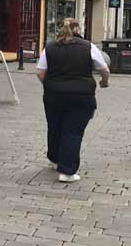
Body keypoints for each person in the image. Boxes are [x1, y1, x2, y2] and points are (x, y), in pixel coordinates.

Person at [37, 18, 110, 183]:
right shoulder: (88, 46)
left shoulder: (49, 48)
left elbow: (40, 72)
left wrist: (49, 85)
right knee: (72, 132)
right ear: (79, 30)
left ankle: (55, 159)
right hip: (81, 96)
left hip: (53, 96)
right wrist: (104, 82)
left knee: (55, 127)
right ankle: (67, 171)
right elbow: (103, 69)